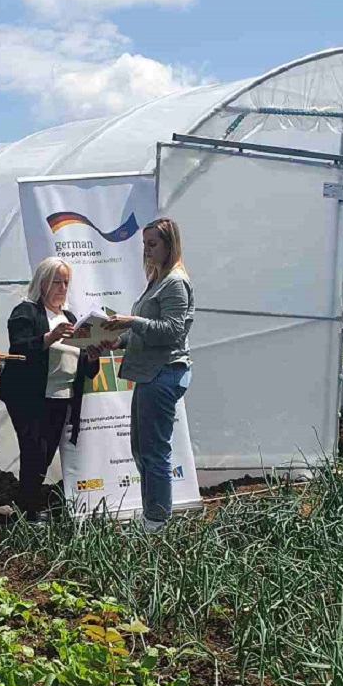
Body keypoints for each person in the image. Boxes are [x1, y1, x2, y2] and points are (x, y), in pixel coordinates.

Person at [104, 218, 194, 533]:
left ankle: (156, 522)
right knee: (142, 449)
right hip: (150, 373)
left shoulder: (175, 283)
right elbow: (146, 332)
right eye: (144, 244)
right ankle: (151, 518)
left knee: (154, 451)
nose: (147, 250)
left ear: (171, 245)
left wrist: (132, 321)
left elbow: (172, 331)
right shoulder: (158, 280)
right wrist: (118, 340)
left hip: (163, 372)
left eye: (153, 244)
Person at [0, 258, 104, 522]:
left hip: (61, 397)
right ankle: (30, 512)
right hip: (28, 395)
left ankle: (25, 504)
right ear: (42, 282)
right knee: (34, 449)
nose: (63, 287)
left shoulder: (70, 318)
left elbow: (88, 371)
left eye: (66, 281)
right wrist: (49, 338)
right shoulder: (26, 312)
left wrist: (92, 355)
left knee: (45, 453)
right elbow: (19, 348)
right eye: (57, 281)